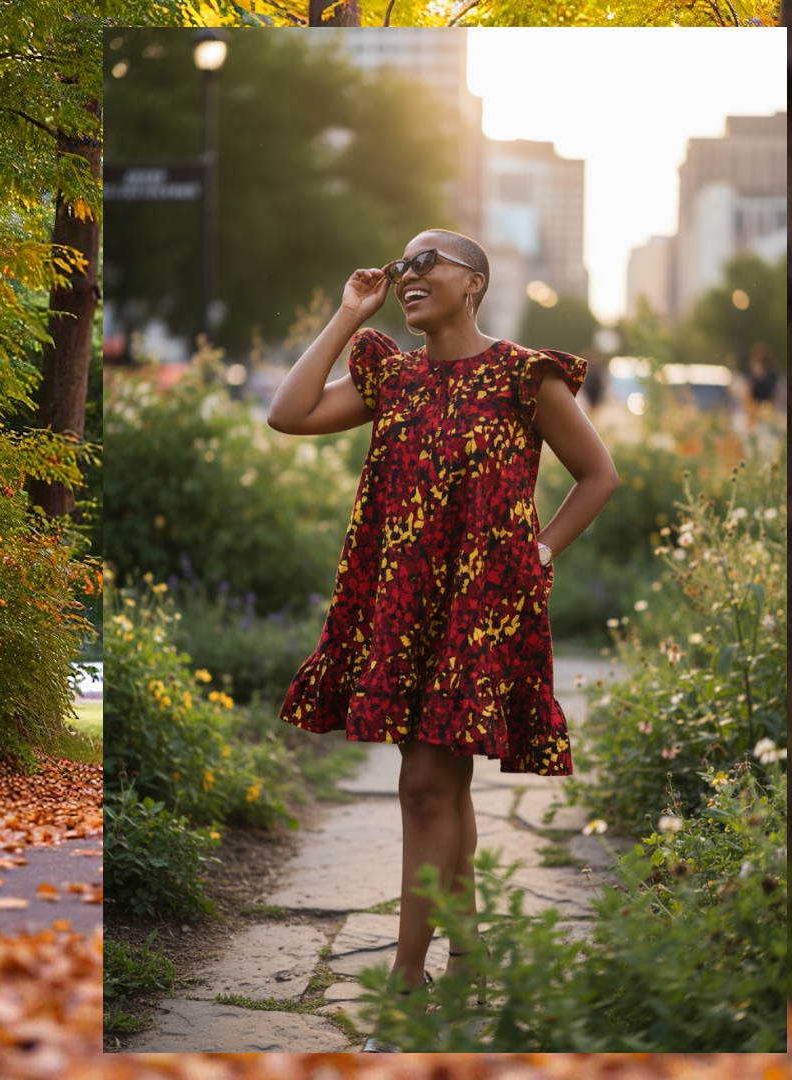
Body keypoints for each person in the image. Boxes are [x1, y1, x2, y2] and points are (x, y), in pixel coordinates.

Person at [267, 229, 618, 1052]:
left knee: (425, 782)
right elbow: (288, 414)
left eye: (427, 263)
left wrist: (542, 547)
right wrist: (350, 314)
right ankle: (467, 957)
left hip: (482, 605)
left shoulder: (523, 376)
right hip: (398, 603)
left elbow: (597, 474)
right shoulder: (391, 377)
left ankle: (405, 983)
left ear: (474, 283)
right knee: (440, 788)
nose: (407, 275)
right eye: (401, 265)